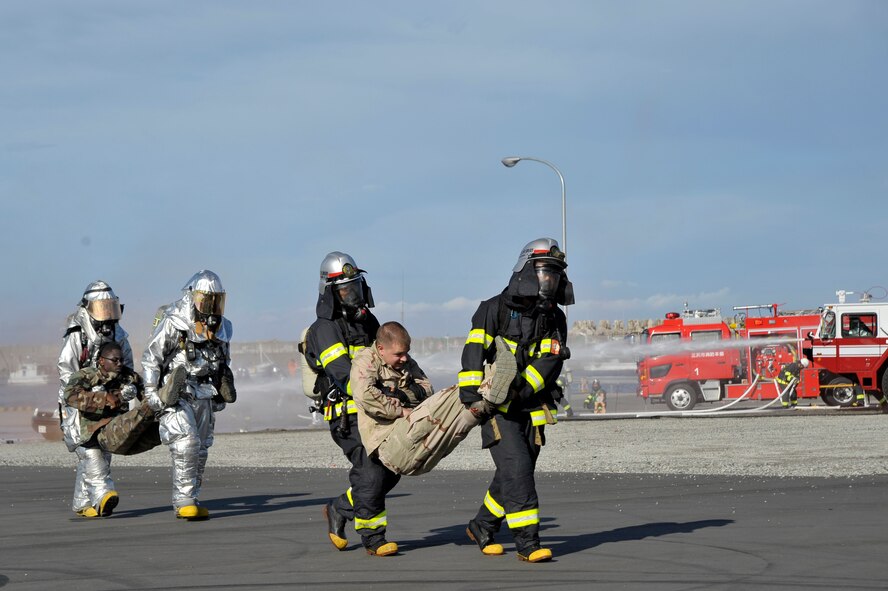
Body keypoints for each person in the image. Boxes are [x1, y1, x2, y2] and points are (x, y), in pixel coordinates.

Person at [458, 238, 574, 563]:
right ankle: (528, 543)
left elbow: (550, 364)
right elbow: (472, 353)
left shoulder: (555, 320)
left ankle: (482, 525)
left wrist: (520, 391)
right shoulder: (492, 309)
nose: (548, 281)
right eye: (543, 273)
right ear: (525, 271)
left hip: (531, 407)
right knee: (517, 467)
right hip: (496, 408)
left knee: (512, 473)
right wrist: (471, 397)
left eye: (554, 275)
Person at [303, 252, 397, 556]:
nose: (353, 295)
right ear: (331, 294)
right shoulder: (324, 329)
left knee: (393, 468)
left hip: (378, 410)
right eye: (345, 290)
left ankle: (341, 508)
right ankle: (373, 538)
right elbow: (343, 374)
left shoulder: (370, 322)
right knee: (370, 473)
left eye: (356, 286)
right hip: (348, 415)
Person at [350, 321, 515, 478]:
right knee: (452, 395)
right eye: (398, 354)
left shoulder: (407, 363)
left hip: (421, 452)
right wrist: (401, 410)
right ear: (380, 349)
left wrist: (399, 395)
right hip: (391, 445)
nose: (404, 358)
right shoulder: (366, 359)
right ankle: (493, 372)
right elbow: (365, 394)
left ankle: (488, 400)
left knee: (463, 413)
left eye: (406, 352)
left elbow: (427, 390)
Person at [141, 270, 236, 520]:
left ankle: (192, 497)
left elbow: (224, 360)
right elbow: (152, 357)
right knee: (186, 442)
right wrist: (151, 392)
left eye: (216, 301)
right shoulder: (175, 321)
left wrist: (221, 390)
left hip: (205, 391)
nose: (212, 307)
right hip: (176, 392)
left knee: (202, 448)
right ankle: (183, 501)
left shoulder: (223, 328)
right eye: (207, 300)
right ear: (192, 297)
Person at [57, 280, 136, 517]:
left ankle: (83, 503)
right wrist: (81, 399)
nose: (107, 315)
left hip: (109, 402)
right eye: (102, 308)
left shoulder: (119, 334)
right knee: (89, 449)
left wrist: (127, 389)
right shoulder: (76, 334)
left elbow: (128, 365)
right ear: (88, 308)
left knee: (103, 448)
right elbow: (66, 370)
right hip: (81, 403)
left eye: (110, 307)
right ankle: (104, 494)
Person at [62, 342, 160, 517]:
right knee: (94, 460)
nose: (120, 363)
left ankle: (81, 504)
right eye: (115, 360)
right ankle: (104, 497)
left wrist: (154, 407)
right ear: (101, 361)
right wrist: (103, 399)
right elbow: (70, 396)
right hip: (84, 430)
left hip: (110, 429)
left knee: (95, 463)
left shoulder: (128, 377)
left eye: (121, 360)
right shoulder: (86, 375)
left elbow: (147, 394)